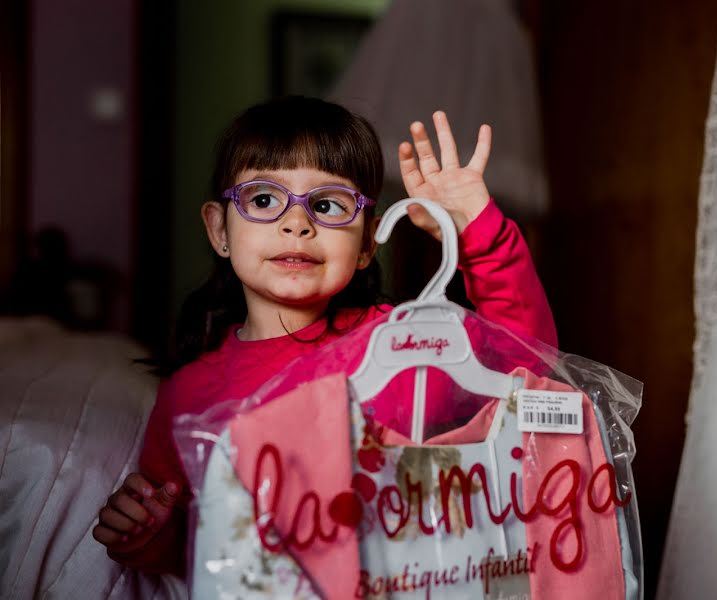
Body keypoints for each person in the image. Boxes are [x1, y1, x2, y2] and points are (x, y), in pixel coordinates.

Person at [92, 96, 556, 575]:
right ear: (219, 230)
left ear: (367, 243)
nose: (297, 223)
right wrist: (147, 534)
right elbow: (199, 552)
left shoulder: (401, 344)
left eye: (328, 205)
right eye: (264, 200)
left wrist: (482, 236)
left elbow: (526, 371)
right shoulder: (186, 395)